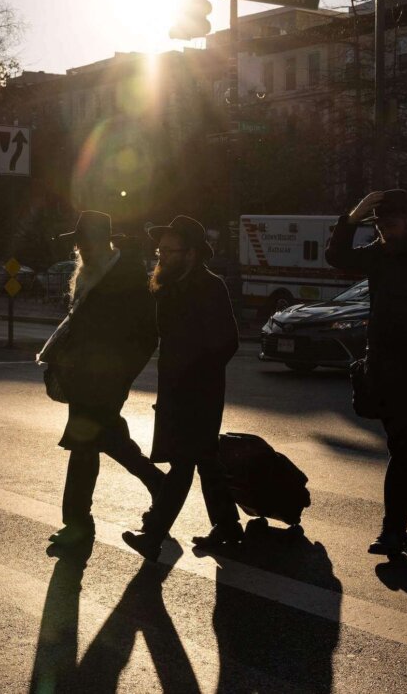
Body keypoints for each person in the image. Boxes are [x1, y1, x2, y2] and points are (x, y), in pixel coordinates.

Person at [325, 190, 407, 556]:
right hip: (380, 367)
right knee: (403, 447)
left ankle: (392, 532)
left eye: (390, 223)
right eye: (378, 224)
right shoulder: (380, 253)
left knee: (401, 446)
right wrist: (353, 216)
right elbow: (337, 256)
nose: (383, 230)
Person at [40, 211, 165, 547]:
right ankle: (157, 487)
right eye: (77, 243)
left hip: (107, 380)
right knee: (99, 443)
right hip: (83, 378)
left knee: (87, 445)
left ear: (99, 241)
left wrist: (122, 376)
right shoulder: (91, 273)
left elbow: (147, 335)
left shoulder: (126, 276)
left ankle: (78, 523)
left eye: (83, 241)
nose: (79, 248)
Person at [121, 216, 242, 559]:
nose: (161, 257)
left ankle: (153, 532)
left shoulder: (210, 286)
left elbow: (228, 341)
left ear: (191, 253)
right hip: (176, 389)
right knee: (205, 459)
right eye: (160, 250)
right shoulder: (169, 286)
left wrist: (196, 374)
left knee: (183, 462)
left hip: (199, 393)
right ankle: (228, 525)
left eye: (169, 250)